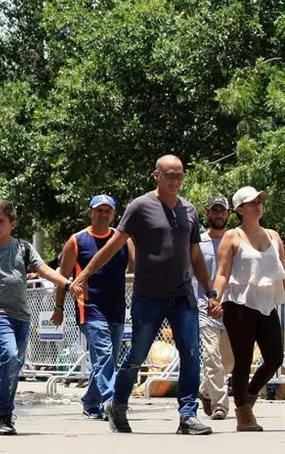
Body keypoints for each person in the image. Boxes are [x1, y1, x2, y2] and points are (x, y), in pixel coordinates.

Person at [71, 155, 219, 435]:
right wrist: (85, 274)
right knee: (136, 356)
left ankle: (187, 416)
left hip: (182, 296)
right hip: (148, 297)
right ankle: (118, 404)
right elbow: (114, 245)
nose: (175, 180)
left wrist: (210, 291)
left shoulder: (189, 209)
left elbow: (195, 254)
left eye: (179, 175)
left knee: (191, 354)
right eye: (169, 175)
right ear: (156, 176)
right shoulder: (140, 207)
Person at [0, 200, 72, 435]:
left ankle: (4, 415)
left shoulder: (23, 248)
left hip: (21, 316)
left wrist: (65, 282)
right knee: (10, 355)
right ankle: (2, 414)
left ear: (13, 224)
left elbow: (43, 268)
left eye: (1, 221)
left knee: (15, 365)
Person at [212, 186, 285, 431]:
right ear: (240, 209)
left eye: (259, 201)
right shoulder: (232, 236)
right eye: (252, 202)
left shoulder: (273, 235)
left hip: (267, 303)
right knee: (242, 360)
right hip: (239, 304)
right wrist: (215, 297)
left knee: (275, 356)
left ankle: (249, 395)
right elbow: (222, 273)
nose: (258, 205)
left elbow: (282, 271)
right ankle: (244, 417)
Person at [58, 195, 134, 420]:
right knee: (104, 355)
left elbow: (140, 267)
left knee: (106, 359)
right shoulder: (77, 240)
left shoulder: (123, 240)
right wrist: (58, 307)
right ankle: (112, 401)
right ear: (90, 212)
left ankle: (91, 401)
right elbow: (62, 276)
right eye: (99, 210)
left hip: (117, 308)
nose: (103, 214)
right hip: (89, 308)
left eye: (107, 210)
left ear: (114, 214)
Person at [194, 195, 234, 420]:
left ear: (228, 214)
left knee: (230, 359)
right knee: (212, 356)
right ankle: (220, 405)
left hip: (232, 306)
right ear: (207, 213)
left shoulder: (236, 240)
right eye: (214, 210)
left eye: (222, 211)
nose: (218, 214)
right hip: (205, 306)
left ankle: (205, 390)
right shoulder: (198, 242)